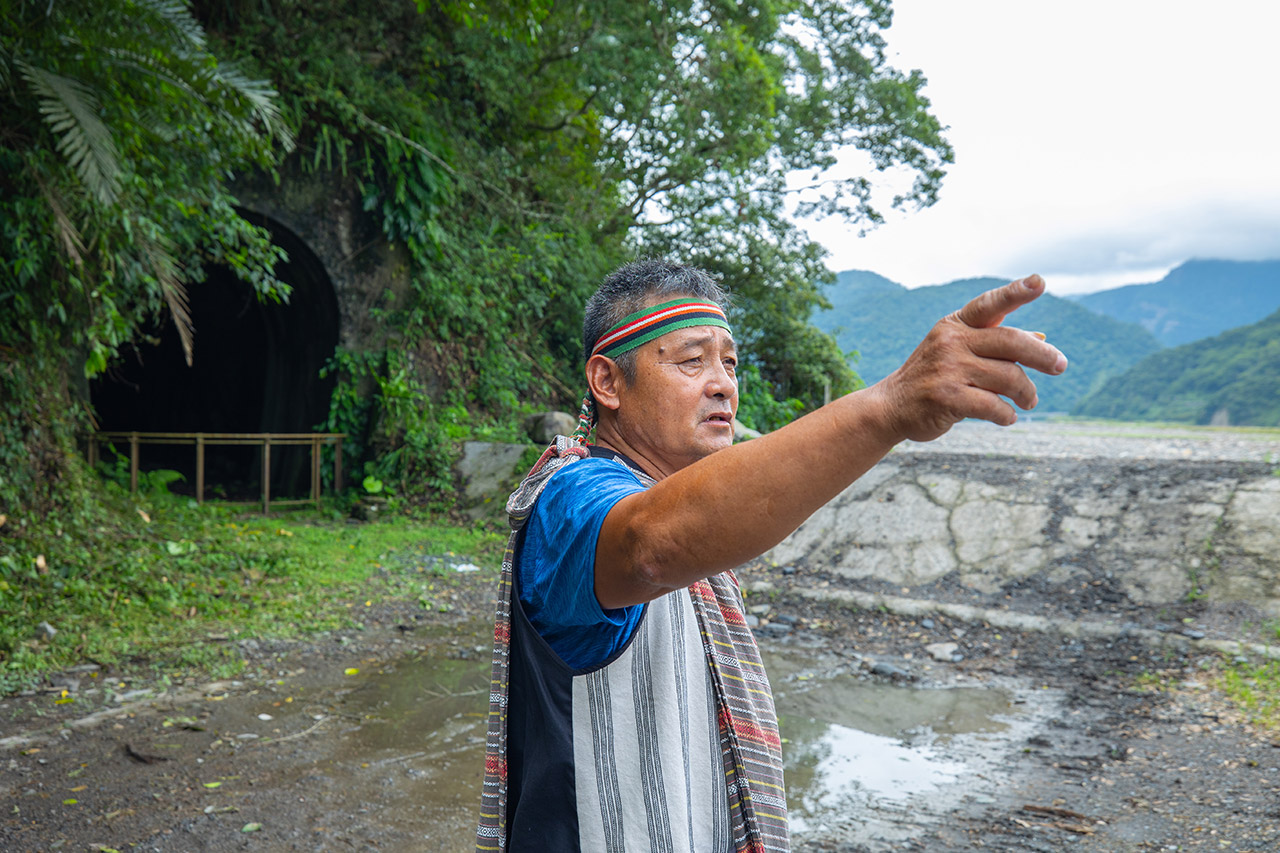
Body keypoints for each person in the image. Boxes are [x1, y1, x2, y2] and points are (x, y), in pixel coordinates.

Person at [475, 259, 1068, 852]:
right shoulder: (572, 498)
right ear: (607, 383)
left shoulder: (681, 507)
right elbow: (648, 546)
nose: (723, 384)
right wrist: (890, 406)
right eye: (691, 360)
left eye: (729, 363)